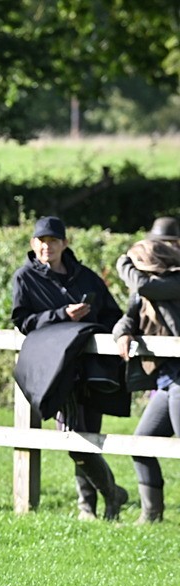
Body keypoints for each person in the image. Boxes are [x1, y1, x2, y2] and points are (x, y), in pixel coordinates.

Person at [11, 215, 128, 520]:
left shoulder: (86, 277)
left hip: (92, 369)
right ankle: (113, 494)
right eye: (41, 241)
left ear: (64, 243)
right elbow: (23, 322)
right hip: (57, 369)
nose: (46, 246)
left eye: (52, 241)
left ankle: (89, 507)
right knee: (74, 438)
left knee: (89, 436)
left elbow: (113, 314)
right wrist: (62, 314)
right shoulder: (25, 278)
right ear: (33, 244)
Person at [112, 216, 180, 523]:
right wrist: (122, 332)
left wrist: (123, 264)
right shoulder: (147, 281)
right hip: (168, 380)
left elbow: (143, 287)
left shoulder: (174, 280)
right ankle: (151, 516)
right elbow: (131, 313)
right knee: (141, 443)